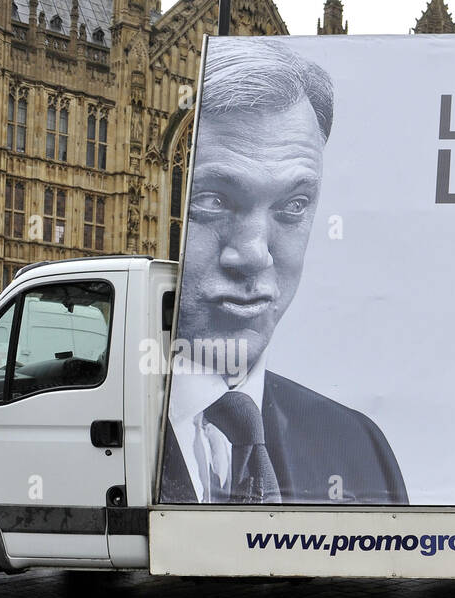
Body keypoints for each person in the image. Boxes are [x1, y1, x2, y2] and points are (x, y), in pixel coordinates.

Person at [161, 38, 407, 506]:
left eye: (293, 205)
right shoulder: (103, 418)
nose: (253, 254)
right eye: (212, 200)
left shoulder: (360, 447)